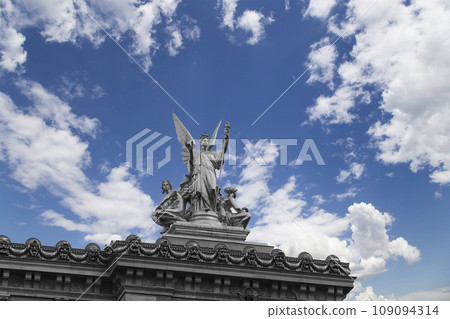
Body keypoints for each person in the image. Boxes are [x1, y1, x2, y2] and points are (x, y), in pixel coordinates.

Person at [185, 125, 229, 212]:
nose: (205, 142)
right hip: (200, 173)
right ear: (200, 143)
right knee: (200, 191)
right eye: (203, 140)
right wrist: (190, 150)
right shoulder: (197, 153)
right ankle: (202, 209)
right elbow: (191, 162)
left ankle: (212, 209)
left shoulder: (213, 154)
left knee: (213, 189)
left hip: (210, 172)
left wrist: (226, 137)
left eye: (206, 141)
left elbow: (223, 150)